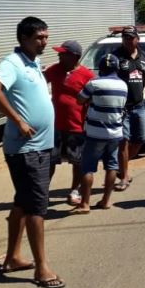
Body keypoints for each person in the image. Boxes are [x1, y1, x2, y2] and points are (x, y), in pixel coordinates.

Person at [0, 16, 64, 288]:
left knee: (23, 202)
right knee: (36, 208)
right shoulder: (13, 63)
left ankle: (12, 258)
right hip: (27, 150)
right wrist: (17, 120)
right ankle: (41, 267)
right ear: (24, 39)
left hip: (42, 146)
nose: (45, 41)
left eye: (45, 36)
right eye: (39, 37)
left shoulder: (33, 61)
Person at [71, 54, 128, 213]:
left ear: (101, 68)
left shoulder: (94, 83)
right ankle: (106, 201)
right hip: (115, 133)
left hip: (95, 133)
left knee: (87, 167)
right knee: (111, 166)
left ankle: (85, 204)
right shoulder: (123, 85)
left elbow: (80, 100)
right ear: (116, 68)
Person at [44, 40, 94, 205]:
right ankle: (43, 192)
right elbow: (39, 83)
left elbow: (94, 99)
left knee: (77, 162)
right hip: (54, 126)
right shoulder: (54, 70)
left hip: (77, 127)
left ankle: (74, 190)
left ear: (75, 57)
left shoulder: (87, 76)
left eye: (62, 53)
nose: (59, 55)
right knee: (50, 161)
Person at [113, 26, 145, 191]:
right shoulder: (115, 57)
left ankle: (119, 166)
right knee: (123, 141)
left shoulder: (144, 57)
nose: (128, 40)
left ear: (137, 39)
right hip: (122, 107)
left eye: (131, 37)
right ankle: (124, 177)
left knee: (140, 140)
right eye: (125, 37)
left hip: (139, 105)